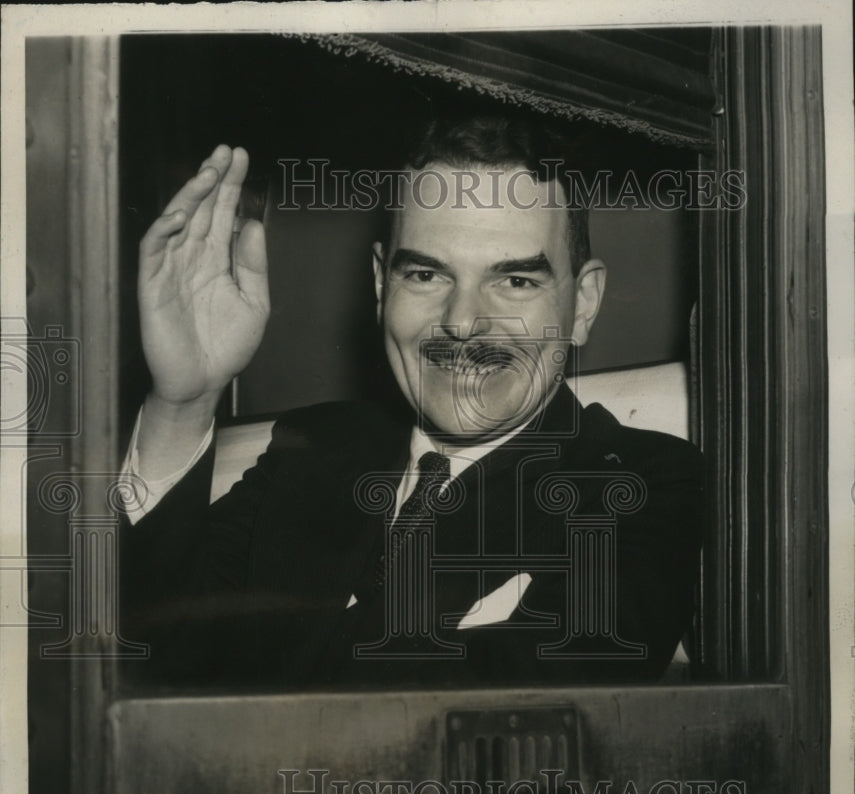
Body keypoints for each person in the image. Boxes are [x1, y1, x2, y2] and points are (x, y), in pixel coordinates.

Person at [121, 115, 703, 689]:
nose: (462, 323)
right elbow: (152, 652)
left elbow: (505, 736)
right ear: (381, 286)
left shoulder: (641, 487)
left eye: (516, 281)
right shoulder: (314, 449)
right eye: (426, 275)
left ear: (582, 304)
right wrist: (184, 403)